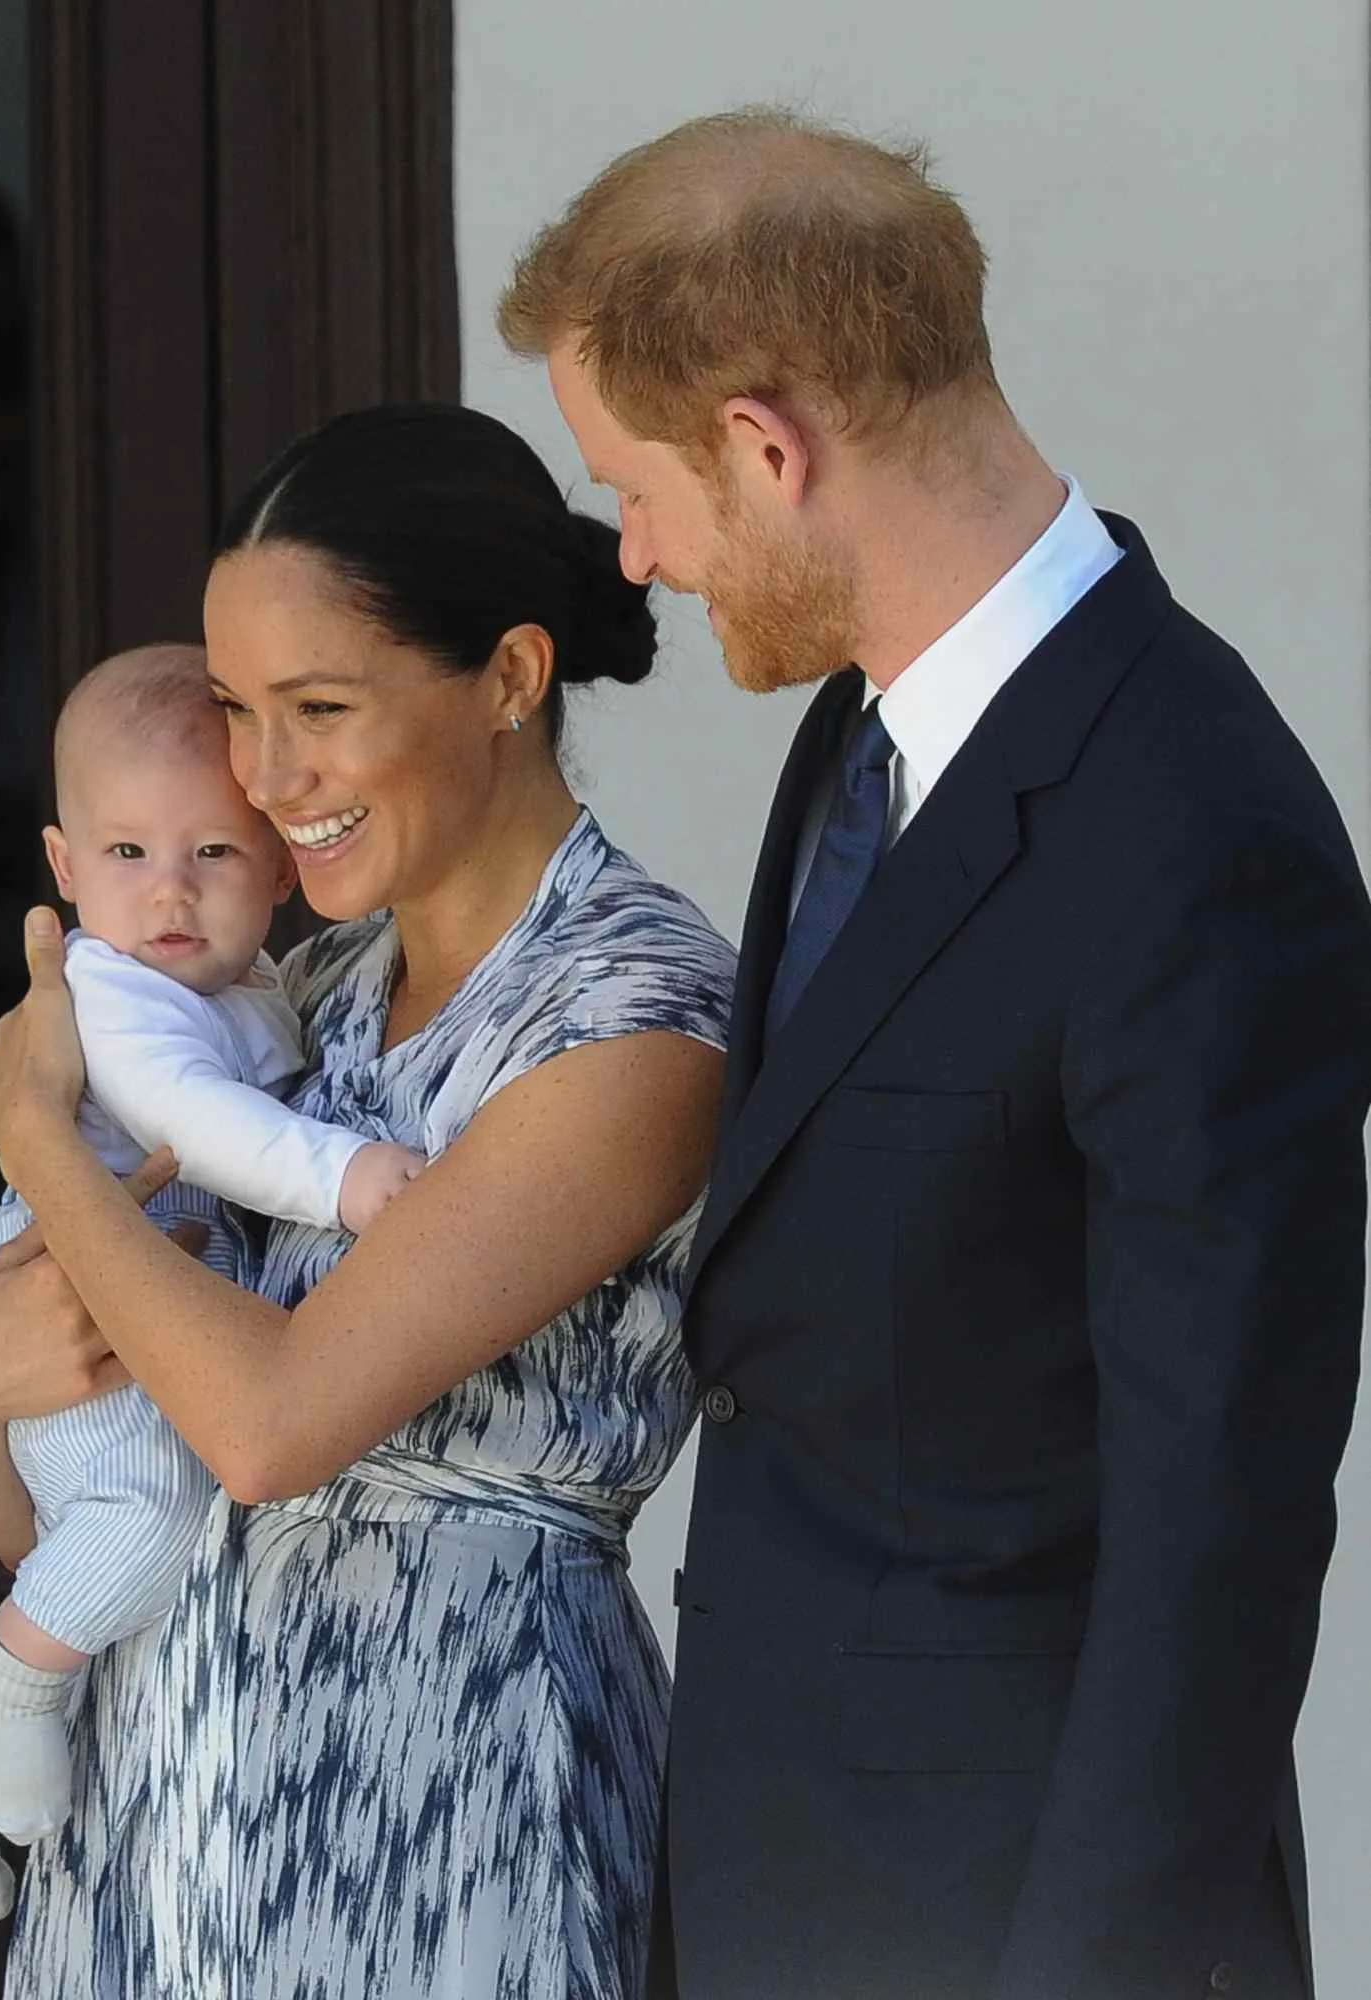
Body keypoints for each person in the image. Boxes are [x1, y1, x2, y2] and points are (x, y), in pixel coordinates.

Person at [499, 108, 1371, 2000]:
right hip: (778, 1887)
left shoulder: (1194, 819)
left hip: (1004, 1928)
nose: (632, 556)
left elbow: (1216, 1518)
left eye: (627, 487)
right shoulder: (859, 741)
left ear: (763, 444)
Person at [0, 403, 736, 1998]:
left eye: (318, 708)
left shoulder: (633, 1014)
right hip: (158, 1827)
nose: (265, 777)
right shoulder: (303, 990)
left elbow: (269, 1427)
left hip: (446, 1824)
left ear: (508, 676)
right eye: (233, 709)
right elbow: (104, 1518)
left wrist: (35, 1133)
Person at [0, 642, 422, 1917]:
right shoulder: (108, 997)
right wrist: (344, 1177)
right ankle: (2, 1678)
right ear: (62, 867)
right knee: (151, 1515)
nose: (168, 892)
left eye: (212, 854)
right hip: (66, 1281)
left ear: (281, 862)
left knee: (133, 1511)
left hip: (130, 1284)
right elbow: (197, 1123)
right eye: (125, 856)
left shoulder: (260, 983)